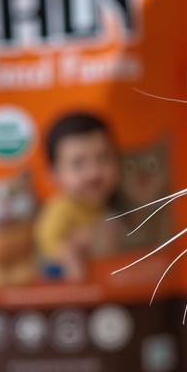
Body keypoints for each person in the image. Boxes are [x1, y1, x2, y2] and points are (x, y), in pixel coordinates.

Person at [35, 112, 120, 281]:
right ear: (54, 174)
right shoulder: (61, 208)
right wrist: (69, 257)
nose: (94, 172)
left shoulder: (115, 201)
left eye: (103, 158)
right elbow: (47, 236)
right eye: (78, 164)